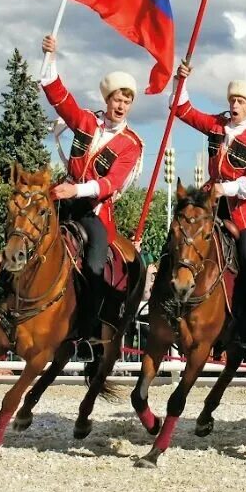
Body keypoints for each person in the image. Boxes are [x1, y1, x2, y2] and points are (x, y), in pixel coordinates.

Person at [35, 33, 144, 332]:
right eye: (117, 100)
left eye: (127, 101)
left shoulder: (131, 143)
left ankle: (89, 329)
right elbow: (58, 96)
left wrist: (78, 189)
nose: (121, 106)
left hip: (94, 212)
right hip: (63, 197)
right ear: (106, 100)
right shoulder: (85, 122)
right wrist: (50, 56)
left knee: (96, 266)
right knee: (25, 230)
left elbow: (111, 184)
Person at [173, 60, 246, 353]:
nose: (235, 105)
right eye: (232, 100)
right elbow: (184, 111)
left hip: (241, 209)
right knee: (180, 238)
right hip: (209, 202)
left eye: (240, 102)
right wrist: (182, 82)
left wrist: (228, 187)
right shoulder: (217, 124)